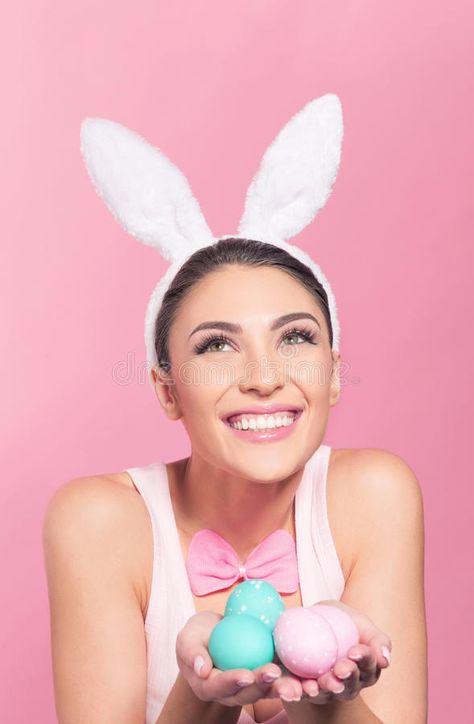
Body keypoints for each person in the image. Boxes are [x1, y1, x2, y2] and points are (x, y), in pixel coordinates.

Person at [43, 97, 427, 724]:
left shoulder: (375, 494)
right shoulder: (99, 522)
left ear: (332, 374)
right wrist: (201, 696)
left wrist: (328, 701)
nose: (265, 377)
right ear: (168, 390)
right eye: (217, 345)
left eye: (297, 338)